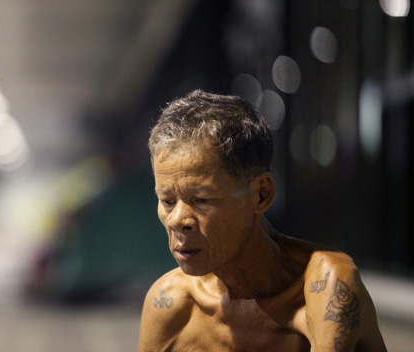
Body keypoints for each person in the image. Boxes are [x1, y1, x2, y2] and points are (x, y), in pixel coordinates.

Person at [138, 90, 386, 351]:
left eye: (201, 199)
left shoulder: (325, 286)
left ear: (261, 194)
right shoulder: (169, 303)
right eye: (167, 201)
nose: (177, 220)